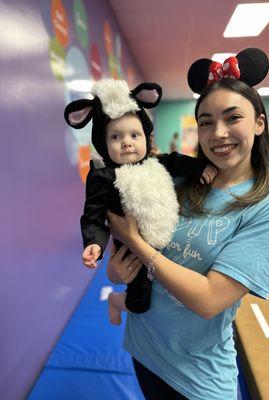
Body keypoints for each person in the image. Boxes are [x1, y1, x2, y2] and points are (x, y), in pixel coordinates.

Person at [106, 48, 269, 400]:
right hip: (145, 347)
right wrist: (117, 273)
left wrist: (135, 243)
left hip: (198, 378)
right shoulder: (178, 181)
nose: (218, 133)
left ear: (259, 122)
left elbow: (209, 300)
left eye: (232, 117)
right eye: (206, 121)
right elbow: (124, 246)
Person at [64, 79, 217, 325]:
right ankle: (117, 301)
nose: (127, 142)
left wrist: (200, 167)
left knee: (173, 283)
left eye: (134, 134)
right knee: (140, 300)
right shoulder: (105, 177)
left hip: (167, 241)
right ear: (103, 144)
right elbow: (93, 214)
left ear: (146, 136)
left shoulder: (156, 162)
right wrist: (94, 243)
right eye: (115, 137)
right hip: (130, 250)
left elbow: (178, 160)